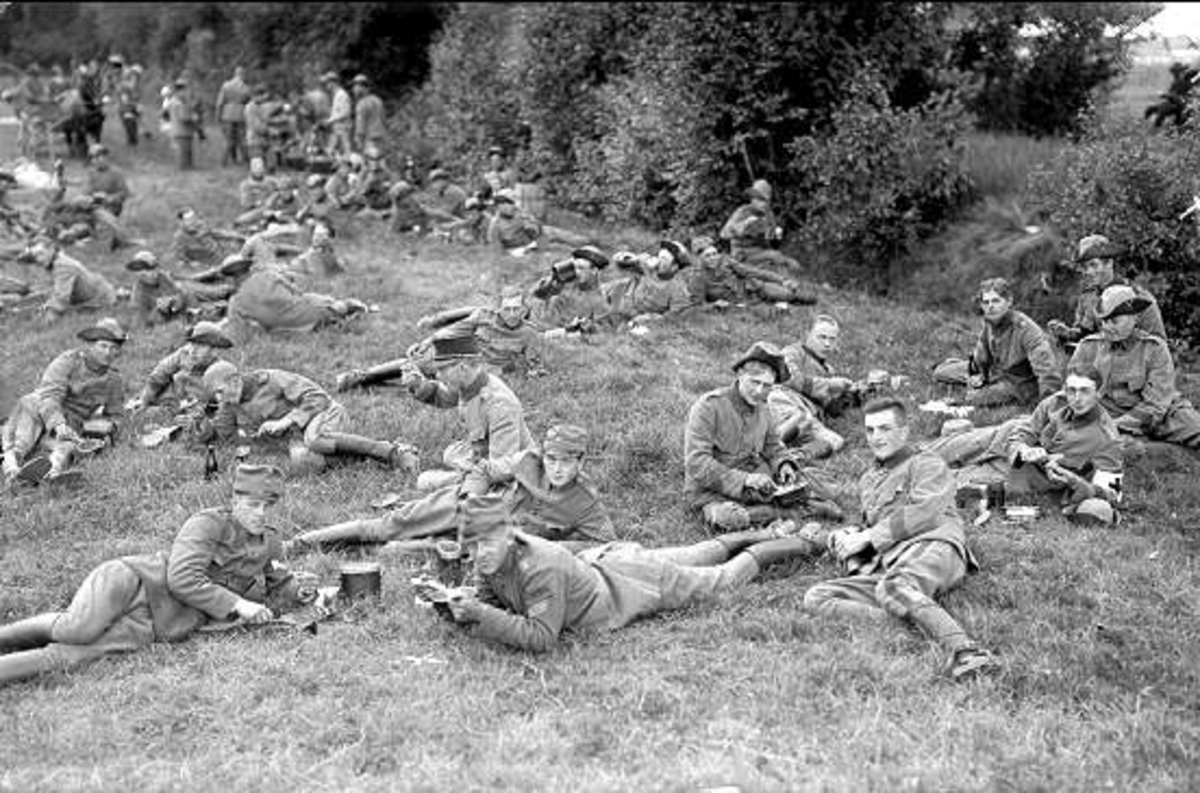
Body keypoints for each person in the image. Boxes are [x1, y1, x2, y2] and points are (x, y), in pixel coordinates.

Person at [0, 464, 322, 685]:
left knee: (71, 657)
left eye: (268, 506)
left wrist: (298, 591)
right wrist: (238, 604)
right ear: (235, 499)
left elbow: (279, 581)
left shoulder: (270, 540)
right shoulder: (208, 523)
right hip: (133, 581)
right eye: (253, 505)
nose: (260, 514)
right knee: (77, 629)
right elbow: (182, 579)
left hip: (157, 623)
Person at [428, 492, 827, 653]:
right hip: (607, 563)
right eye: (471, 546)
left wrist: (480, 615)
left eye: (485, 544)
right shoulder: (492, 554)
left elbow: (541, 637)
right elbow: (490, 597)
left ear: (507, 535)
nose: (477, 555)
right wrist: (455, 604)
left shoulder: (539, 566)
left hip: (627, 585)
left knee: (719, 580)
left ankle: (803, 543)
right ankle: (766, 531)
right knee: (691, 554)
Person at [803, 397, 1000, 682]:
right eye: (870, 430)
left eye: (885, 428)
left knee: (894, 586)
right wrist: (850, 534)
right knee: (817, 597)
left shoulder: (927, 463)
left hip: (933, 546)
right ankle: (918, 624)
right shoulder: (869, 479)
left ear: (904, 432)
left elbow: (926, 510)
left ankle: (966, 651)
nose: (876, 437)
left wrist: (869, 536)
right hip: (893, 563)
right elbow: (875, 525)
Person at [290, 424, 616, 553]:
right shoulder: (527, 460)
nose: (557, 468)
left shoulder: (585, 502)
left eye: (566, 462)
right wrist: (472, 500)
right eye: (552, 459)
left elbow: (606, 546)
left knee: (405, 550)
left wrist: (546, 546)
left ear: (581, 461)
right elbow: (483, 469)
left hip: (498, 542)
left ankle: (381, 550)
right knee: (388, 525)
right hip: (473, 506)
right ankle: (297, 544)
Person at [922, 364, 1123, 524]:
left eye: (1085, 391)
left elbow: (1112, 496)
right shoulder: (1056, 402)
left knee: (946, 481)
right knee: (934, 451)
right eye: (1072, 390)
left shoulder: (1108, 438)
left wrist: (1074, 481)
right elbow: (1027, 430)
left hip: (1028, 473)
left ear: (1099, 393)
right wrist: (1023, 449)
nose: (1077, 398)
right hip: (1003, 436)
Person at [684, 342, 842, 532]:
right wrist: (746, 480)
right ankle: (799, 509)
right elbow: (697, 463)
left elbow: (773, 447)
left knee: (827, 486)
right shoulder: (709, 406)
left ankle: (780, 508)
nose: (759, 391)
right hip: (714, 491)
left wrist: (783, 464)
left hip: (760, 486)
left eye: (767, 386)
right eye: (754, 382)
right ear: (740, 374)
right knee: (729, 518)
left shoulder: (764, 409)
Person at [201, 361, 416, 474]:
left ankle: (392, 452)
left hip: (326, 414)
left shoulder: (271, 380)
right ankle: (365, 457)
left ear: (235, 380)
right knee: (302, 462)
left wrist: (287, 421)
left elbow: (318, 398)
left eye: (220, 391)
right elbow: (221, 436)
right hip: (301, 437)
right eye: (215, 396)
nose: (220, 399)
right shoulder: (229, 403)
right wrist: (197, 423)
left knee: (314, 439)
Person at [397, 328, 535, 491]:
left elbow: (503, 468)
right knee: (450, 453)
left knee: (424, 481)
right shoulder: (471, 384)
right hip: (484, 449)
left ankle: (462, 478)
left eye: (442, 370)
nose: (438, 376)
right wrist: (419, 385)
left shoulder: (499, 405)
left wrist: (467, 470)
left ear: (462, 367)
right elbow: (444, 396)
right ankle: (466, 471)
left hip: (511, 466)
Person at [1068, 285, 1200, 452]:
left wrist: (1117, 425)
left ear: (1135, 318)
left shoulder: (1154, 348)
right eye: (1104, 321)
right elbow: (1073, 394)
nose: (1107, 327)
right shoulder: (1087, 347)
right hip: (1109, 413)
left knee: (1194, 426)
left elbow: (1157, 404)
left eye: (1115, 321)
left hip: (1161, 414)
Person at [2, 317, 127, 487]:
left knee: (67, 447)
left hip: (70, 425)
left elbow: (116, 416)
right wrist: (58, 424)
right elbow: (50, 395)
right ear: (90, 345)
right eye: (103, 346)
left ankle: (52, 473)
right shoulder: (69, 361)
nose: (108, 353)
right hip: (40, 409)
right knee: (23, 437)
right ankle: (12, 469)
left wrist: (106, 433)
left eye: (113, 348)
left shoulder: (114, 380)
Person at [933, 277, 1062, 408]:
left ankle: (988, 393)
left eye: (996, 301)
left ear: (1009, 301)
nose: (990, 306)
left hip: (1018, 383)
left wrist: (1047, 406)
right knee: (940, 372)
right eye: (986, 302)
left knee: (974, 398)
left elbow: (1048, 372)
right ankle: (959, 369)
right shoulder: (990, 322)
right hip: (993, 373)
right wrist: (977, 375)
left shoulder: (1027, 330)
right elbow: (981, 357)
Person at [1046, 234, 1166, 354]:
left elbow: (1158, 345)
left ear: (1109, 263)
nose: (1088, 272)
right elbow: (1084, 334)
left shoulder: (1138, 298)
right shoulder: (1087, 297)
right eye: (1084, 267)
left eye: (1093, 265)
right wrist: (1067, 333)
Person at [770, 315, 861, 461]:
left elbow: (831, 410)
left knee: (835, 441)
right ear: (807, 334)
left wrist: (853, 393)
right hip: (783, 402)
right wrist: (830, 385)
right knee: (797, 420)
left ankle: (794, 458)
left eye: (832, 339)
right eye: (822, 337)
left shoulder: (828, 370)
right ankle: (769, 446)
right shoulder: (792, 352)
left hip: (808, 416)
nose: (827, 344)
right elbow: (790, 379)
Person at [126, 321, 233, 442]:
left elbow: (224, 405)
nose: (193, 350)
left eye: (201, 346)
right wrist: (146, 398)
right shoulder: (184, 354)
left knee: (178, 428)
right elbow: (161, 372)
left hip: (191, 409)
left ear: (215, 350)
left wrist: (203, 419)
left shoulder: (219, 371)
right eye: (192, 344)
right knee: (136, 412)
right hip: (167, 397)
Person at [221, 254, 367, 339]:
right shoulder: (267, 275)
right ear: (248, 268)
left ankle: (337, 314)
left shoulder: (236, 302)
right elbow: (296, 292)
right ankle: (348, 306)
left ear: (231, 278)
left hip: (282, 330)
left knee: (312, 302)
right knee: (319, 302)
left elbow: (238, 332)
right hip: (306, 313)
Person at [685, 234, 817, 309]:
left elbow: (754, 272)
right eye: (708, 255)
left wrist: (782, 280)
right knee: (766, 312)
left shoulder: (726, 261)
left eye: (715, 253)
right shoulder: (697, 277)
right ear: (699, 257)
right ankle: (780, 303)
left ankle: (794, 298)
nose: (713, 258)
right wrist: (714, 305)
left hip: (754, 288)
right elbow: (697, 305)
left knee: (789, 295)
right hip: (738, 303)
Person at [18, 235, 117, 323]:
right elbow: (23, 259)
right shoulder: (55, 260)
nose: (39, 259)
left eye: (41, 254)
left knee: (48, 306)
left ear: (51, 249)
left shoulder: (62, 266)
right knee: (39, 297)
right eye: (35, 256)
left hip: (98, 300)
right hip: (92, 291)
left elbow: (61, 298)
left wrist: (47, 317)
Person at [125, 250, 234, 329]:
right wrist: (158, 310)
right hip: (177, 315)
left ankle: (227, 293)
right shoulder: (138, 296)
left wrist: (173, 301)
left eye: (154, 269)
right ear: (138, 274)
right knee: (210, 308)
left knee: (216, 292)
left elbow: (179, 295)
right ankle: (216, 309)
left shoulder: (163, 277)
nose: (153, 275)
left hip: (185, 301)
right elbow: (143, 323)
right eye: (145, 273)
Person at [718, 178, 803, 278]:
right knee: (774, 256)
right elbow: (724, 234)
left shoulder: (768, 214)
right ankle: (785, 282)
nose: (764, 204)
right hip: (742, 254)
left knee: (794, 265)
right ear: (752, 199)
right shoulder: (743, 212)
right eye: (759, 200)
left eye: (766, 200)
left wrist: (777, 235)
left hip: (761, 252)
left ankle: (788, 281)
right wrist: (744, 225)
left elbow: (772, 242)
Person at [602, 241, 695, 327]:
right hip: (619, 294)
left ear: (675, 266)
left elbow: (674, 316)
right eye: (659, 256)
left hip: (634, 316)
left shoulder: (677, 288)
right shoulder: (649, 268)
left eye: (664, 259)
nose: (659, 261)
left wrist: (652, 318)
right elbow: (619, 263)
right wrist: (630, 258)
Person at [486, 188, 591, 255]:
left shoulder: (519, 212)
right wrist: (521, 253)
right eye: (506, 204)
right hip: (524, 249)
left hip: (536, 240)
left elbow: (537, 226)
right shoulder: (495, 226)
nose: (511, 207)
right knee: (559, 249)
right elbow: (499, 254)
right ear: (498, 206)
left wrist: (532, 225)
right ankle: (584, 251)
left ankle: (589, 243)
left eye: (512, 203)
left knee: (558, 234)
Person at [168, 206, 245, 269]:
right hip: (206, 265)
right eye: (188, 220)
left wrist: (237, 236)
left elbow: (217, 233)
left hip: (222, 256)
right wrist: (190, 263)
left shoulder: (201, 226)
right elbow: (179, 256)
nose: (192, 221)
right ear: (181, 222)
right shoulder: (180, 237)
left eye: (193, 218)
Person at [165, 77, 204, 171]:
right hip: (181, 133)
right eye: (186, 90)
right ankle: (185, 170)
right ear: (180, 90)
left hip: (184, 132)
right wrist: (193, 117)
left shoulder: (178, 101)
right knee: (183, 159)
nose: (188, 93)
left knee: (188, 155)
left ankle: (188, 169)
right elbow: (184, 118)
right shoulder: (177, 103)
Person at [215, 66, 251, 166]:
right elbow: (249, 103)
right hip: (241, 114)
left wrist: (217, 116)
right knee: (242, 139)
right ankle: (246, 160)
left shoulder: (226, 85)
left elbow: (219, 103)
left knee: (229, 140)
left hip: (227, 114)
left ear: (235, 74)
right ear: (243, 74)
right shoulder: (246, 88)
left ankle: (225, 161)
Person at [351, 74, 385, 154]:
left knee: (370, 160)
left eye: (355, 86)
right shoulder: (378, 100)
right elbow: (383, 118)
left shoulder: (361, 104)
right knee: (380, 159)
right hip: (381, 138)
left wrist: (358, 141)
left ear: (362, 87)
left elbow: (360, 126)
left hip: (369, 140)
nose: (353, 89)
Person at [322, 72, 353, 158]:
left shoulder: (342, 95)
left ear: (333, 82)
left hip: (343, 130)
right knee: (331, 153)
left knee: (345, 154)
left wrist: (330, 121)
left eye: (327, 83)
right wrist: (328, 121)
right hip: (336, 130)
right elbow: (337, 113)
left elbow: (345, 112)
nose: (326, 85)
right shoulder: (336, 95)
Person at [243, 85, 271, 164]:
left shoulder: (262, 106)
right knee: (257, 164)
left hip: (263, 140)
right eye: (264, 97)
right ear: (258, 95)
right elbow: (255, 126)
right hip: (254, 140)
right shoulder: (250, 108)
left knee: (268, 163)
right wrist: (268, 130)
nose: (265, 99)